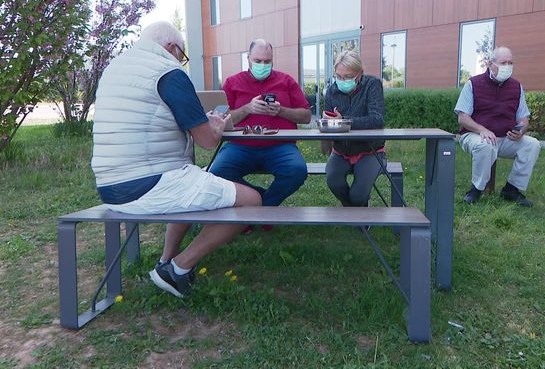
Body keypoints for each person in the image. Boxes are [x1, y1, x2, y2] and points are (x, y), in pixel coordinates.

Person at [91, 21, 262, 298]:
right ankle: (177, 269)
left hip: (110, 186)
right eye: (181, 56)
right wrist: (215, 127)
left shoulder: (114, 69)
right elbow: (206, 141)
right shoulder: (168, 72)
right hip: (148, 183)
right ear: (172, 48)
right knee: (252, 201)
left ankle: (165, 260)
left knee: (190, 179)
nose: (180, 62)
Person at [208, 39, 312, 231]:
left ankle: (258, 211)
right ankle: (262, 207)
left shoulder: (286, 81)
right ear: (248, 59)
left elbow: (306, 116)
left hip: (280, 145)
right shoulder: (233, 82)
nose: (262, 65)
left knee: (297, 170)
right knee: (217, 172)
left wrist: (281, 111)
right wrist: (247, 108)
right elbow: (220, 117)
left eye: (267, 61)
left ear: (273, 60)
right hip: (240, 145)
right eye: (258, 60)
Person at [455, 46, 540, 207]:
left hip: (506, 137)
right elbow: (462, 118)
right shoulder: (473, 84)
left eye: (510, 63)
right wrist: (482, 130)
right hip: (475, 135)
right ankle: (476, 189)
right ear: (490, 63)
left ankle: (512, 189)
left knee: (532, 144)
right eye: (503, 62)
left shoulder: (516, 87)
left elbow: (524, 118)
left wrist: (521, 130)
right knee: (485, 144)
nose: (507, 66)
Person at [321, 50, 386, 207]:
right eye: (338, 76)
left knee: (358, 195)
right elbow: (328, 122)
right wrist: (326, 122)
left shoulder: (373, 84)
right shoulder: (331, 91)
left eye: (348, 77)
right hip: (341, 151)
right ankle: (353, 210)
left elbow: (377, 119)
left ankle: (358, 208)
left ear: (359, 74)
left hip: (370, 150)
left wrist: (343, 121)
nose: (342, 80)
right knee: (333, 181)